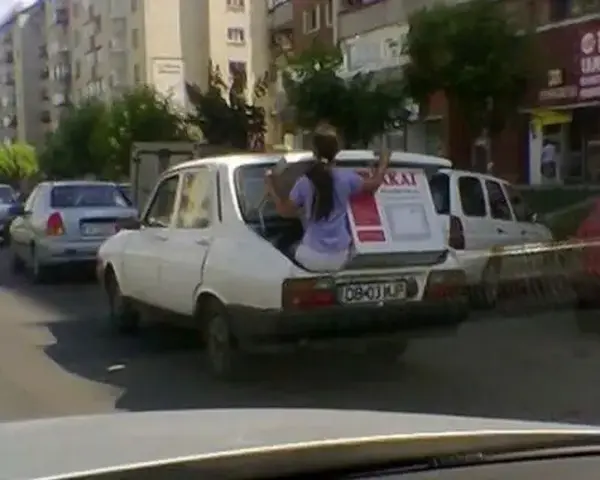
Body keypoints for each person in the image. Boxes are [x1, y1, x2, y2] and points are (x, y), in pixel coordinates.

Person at [264, 124, 390, 272]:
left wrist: (271, 187)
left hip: (311, 257)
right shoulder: (347, 178)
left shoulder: (305, 181)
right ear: (336, 151)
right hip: (340, 256)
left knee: (284, 248)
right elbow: (374, 184)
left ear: (314, 151)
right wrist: (383, 162)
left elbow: (284, 211)